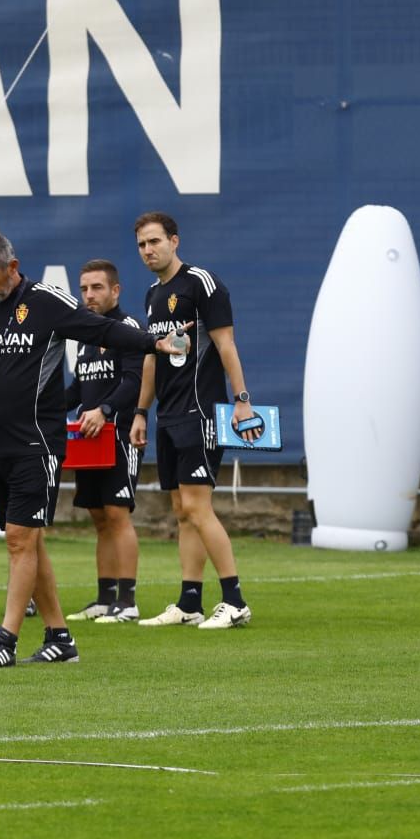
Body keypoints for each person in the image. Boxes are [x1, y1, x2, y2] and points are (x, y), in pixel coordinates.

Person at [0, 233, 178, 668]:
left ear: (13, 266)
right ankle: (60, 638)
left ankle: (5, 641)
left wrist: (153, 344)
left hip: (37, 442)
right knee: (29, 542)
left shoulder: (45, 302)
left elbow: (102, 329)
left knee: (19, 540)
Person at [129, 211, 263, 629]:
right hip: (167, 415)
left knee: (197, 506)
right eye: (141, 245)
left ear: (174, 241)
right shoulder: (153, 295)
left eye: (155, 241)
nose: (148, 250)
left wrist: (242, 401)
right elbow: (152, 358)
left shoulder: (202, 284)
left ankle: (235, 600)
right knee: (181, 510)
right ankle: (190, 602)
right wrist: (140, 412)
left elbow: (226, 346)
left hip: (200, 411)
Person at [60, 259, 146, 624]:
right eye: (84, 289)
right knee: (98, 517)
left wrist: (106, 410)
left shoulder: (127, 328)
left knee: (116, 513)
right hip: (89, 439)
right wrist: (41, 409)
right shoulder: (85, 335)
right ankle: (104, 596)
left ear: (115, 290)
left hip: (121, 436)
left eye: (97, 287)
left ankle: (127, 601)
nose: (89, 295)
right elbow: (79, 389)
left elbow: (134, 381)